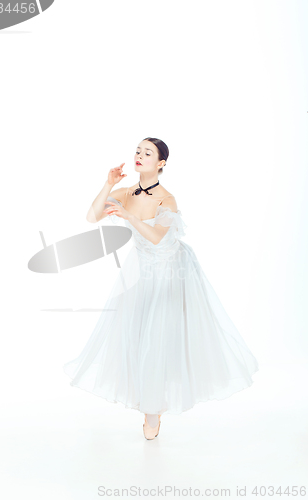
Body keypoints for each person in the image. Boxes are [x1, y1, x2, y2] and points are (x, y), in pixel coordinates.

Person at [63, 137, 259, 440]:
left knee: (161, 335)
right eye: (137, 151)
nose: (140, 156)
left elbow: (156, 237)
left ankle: (153, 410)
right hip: (142, 269)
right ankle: (149, 404)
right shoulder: (126, 192)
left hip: (172, 270)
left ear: (161, 163)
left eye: (148, 152)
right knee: (138, 333)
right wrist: (107, 184)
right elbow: (92, 216)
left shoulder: (167, 198)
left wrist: (128, 215)